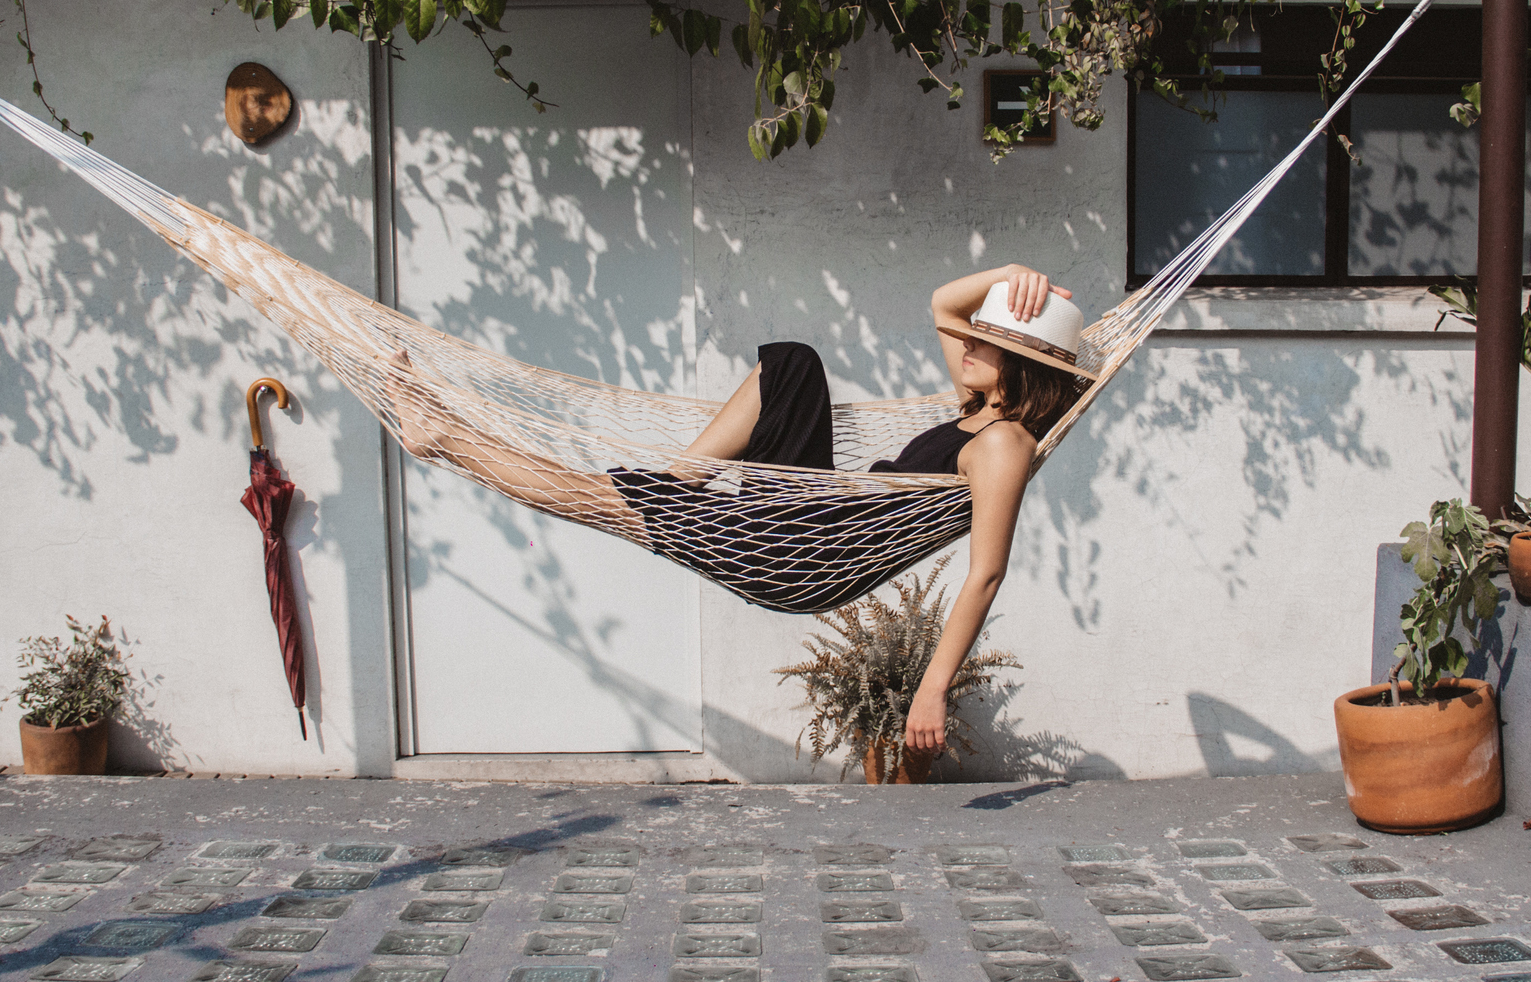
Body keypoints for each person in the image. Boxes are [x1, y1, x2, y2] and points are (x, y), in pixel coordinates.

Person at [389, 263, 1087, 759]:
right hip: (812, 515)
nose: (967, 342)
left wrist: (931, 689)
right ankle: (674, 481)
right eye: (977, 333)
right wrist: (1011, 275)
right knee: (792, 366)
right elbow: (943, 304)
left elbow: (985, 574)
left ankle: (442, 437)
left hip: (810, 552)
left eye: (988, 339)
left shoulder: (1004, 444)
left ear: (1024, 361)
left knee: (604, 497)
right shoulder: (976, 410)